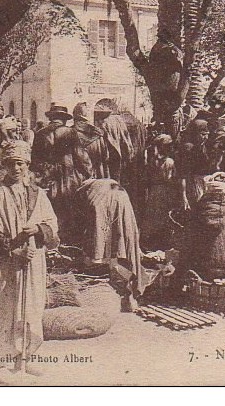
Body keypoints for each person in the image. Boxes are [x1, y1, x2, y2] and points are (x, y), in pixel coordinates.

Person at [0, 141, 59, 375]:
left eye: (20, 163)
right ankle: (2, 359)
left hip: (32, 262)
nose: (16, 168)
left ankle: (24, 357)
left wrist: (39, 230)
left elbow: (52, 226)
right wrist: (12, 250)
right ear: (5, 165)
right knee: (3, 307)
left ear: (27, 165)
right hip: (4, 264)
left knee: (29, 307)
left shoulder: (39, 195)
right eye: (11, 164)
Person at [74, 178, 150, 311]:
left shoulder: (84, 191)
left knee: (103, 249)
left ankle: (119, 294)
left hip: (104, 204)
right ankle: (128, 295)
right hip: (122, 200)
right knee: (123, 247)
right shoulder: (104, 183)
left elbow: (86, 221)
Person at [31, 104, 91, 243]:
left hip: (47, 176)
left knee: (49, 207)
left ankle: (52, 238)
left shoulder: (40, 133)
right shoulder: (70, 132)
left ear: (51, 118)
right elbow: (81, 156)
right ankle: (67, 240)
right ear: (64, 119)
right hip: (68, 176)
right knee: (68, 207)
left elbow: (34, 159)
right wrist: (88, 172)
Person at [144, 134, 179, 248]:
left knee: (154, 215)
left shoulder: (152, 160)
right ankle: (162, 241)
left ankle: (152, 240)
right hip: (165, 190)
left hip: (154, 190)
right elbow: (171, 178)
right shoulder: (169, 161)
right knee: (164, 214)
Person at [177, 118, 217, 211]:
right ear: (194, 134)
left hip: (204, 184)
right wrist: (184, 196)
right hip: (193, 185)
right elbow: (183, 174)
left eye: (207, 135)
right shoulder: (188, 148)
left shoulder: (204, 146)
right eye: (202, 135)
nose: (206, 137)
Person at [72, 102, 110, 179]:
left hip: (79, 177)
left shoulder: (71, 134)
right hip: (98, 176)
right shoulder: (98, 134)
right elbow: (106, 157)